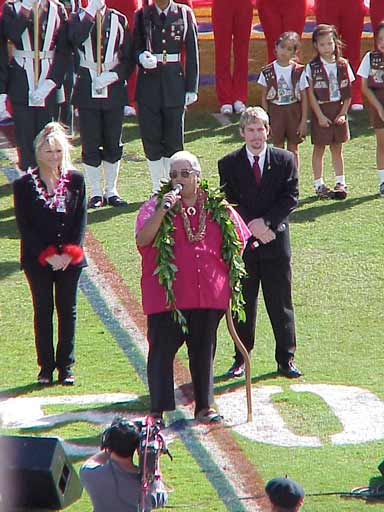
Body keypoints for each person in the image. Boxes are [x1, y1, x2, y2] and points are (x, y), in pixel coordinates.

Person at [135, 150, 250, 423]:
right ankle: (158, 410)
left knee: (203, 350)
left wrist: (225, 276)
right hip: (167, 296)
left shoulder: (218, 207)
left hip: (207, 295)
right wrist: (164, 208)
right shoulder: (154, 206)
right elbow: (142, 239)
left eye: (185, 174)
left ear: (197, 176)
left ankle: (204, 406)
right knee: (161, 351)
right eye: (174, 174)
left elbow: (240, 242)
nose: (179, 180)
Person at [218, 106, 301, 380]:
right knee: (243, 303)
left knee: (280, 303)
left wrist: (267, 223)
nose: (256, 136)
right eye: (251, 130)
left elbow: (291, 196)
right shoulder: (228, 164)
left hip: (275, 241)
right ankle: (241, 357)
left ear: (268, 131)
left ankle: (285, 359)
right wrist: (250, 227)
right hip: (244, 246)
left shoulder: (285, 159)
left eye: (261, 130)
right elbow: (227, 202)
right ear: (242, 132)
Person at [13, 122, 87, 386]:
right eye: (48, 152)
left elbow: (80, 221)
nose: (53, 157)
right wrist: (48, 255)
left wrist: (69, 254)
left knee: (68, 310)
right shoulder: (23, 184)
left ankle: (66, 366)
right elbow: (25, 226)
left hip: (70, 260)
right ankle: (46, 367)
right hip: (37, 260)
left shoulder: (76, 180)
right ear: (37, 153)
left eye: (57, 151)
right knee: (43, 310)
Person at [68, 0, 134, 208]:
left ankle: (111, 190)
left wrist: (113, 75)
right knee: (90, 141)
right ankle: (95, 192)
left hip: (112, 88)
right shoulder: (77, 19)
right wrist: (89, 13)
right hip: (87, 86)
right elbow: (73, 39)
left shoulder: (119, 20)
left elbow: (128, 58)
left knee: (113, 140)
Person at [133, 0, 199, 194]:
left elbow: (193, 52)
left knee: (174, 138)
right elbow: (134, 46)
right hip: (149, 84)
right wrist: (141, 57)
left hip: (174, 83)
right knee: (151, 136)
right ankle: (157, 185)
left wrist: (191, 88)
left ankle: (174, 184)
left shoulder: (184, 13)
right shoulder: (142, 14)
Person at [1, 0, 69, 171]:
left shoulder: (57, 8)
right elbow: (13, 34)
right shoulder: (11, 7)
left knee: (48, 138)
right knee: (25, 139)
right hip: (21, 80)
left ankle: (50, 185)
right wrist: (26, 8)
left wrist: (51, 82)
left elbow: (64, 51)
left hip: (49, 80)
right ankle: (29, 181)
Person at [306, 24, 354, 199]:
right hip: (321, 109)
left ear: (336, 43)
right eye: (322, 44)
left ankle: (340, 182)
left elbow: (348, 93)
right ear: (316, 46)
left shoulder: (343, 65)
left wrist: (343, 113)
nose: (327, 48)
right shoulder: (312, 67)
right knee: (319, 148)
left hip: (338, 108)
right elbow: (310, 93)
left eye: (330, 43)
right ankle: (319, 184)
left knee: (337, 148)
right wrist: (319, 115)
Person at [80, 416, 168, 512]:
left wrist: (110, 448)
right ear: (137, 447)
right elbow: (161, 498)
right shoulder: (147, 488)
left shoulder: (91, 474)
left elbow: (91, 462)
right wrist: (153, 458)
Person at [257, 31, 308, 169]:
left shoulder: (299, 71)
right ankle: (279, 177)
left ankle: (294, 177)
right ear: (276, 48)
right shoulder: (267, 71)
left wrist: (303, 121)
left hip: (293, 110)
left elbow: (304, 97)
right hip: (275, 111)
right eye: (282, 47)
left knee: (293, 147)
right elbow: (264, 97)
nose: (285, 51)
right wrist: (266, 120)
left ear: (294, 53)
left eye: (289, 49)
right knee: (278, 146)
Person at [314, 0, 366, 110]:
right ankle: (323, 92)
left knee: (352, 49)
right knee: (325, 47)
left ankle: (354, 94)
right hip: (326, 4)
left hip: (353, 4)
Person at [211, 0, 253, 115]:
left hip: (244, 4)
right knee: (222, 52)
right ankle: (225, 99)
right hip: (222, 4)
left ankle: (239, 97)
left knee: (242, 52)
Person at [357, 21, 384, 198]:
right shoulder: (370, 58)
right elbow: (364, 87)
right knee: (382, 144)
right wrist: (380, 108)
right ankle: (383, 181)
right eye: (381, 39)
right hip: (378, 105)